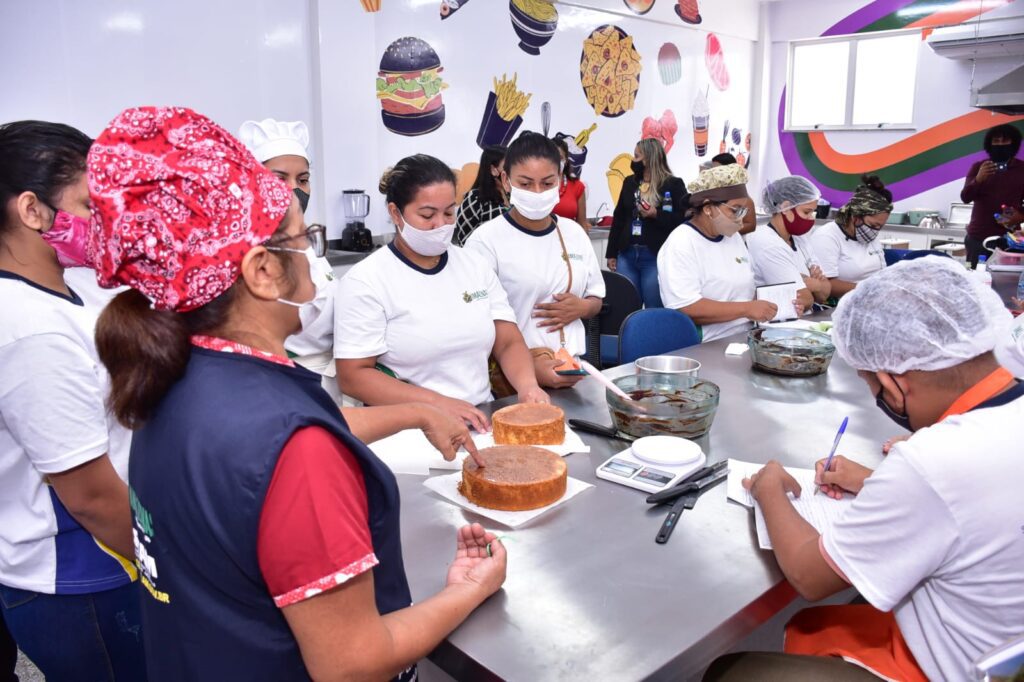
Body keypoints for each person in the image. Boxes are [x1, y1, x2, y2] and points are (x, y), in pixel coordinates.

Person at [88, 106, 506, 681]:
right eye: (302, 238)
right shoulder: (293, 447)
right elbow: (352, 664)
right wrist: (468, 589)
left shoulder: (171, 381)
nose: (313, 253)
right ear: (262, 271)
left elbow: (287, 439)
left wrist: (415, 411)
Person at [716, 257, 1024, 682]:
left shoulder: (934, 460)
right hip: (1003, 645)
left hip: (956, 668)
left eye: (872, 386)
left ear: (894, 383)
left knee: (736, 671)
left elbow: (809, 576)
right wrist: (876, 480)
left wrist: (769, 488)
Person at [0, 121, 145, 680]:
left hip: (103, 561)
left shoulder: (62, 296)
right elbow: (87, 495)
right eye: (90, 204)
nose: (104, 220)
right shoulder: (30, 328)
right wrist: (175, 569)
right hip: (80, 576)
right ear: (33, 211)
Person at [335, 154, 548, 430]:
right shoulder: (367, 280)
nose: (441, 225)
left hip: (480, 421)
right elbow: (354, 375)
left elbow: (507, 341)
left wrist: (528, 387)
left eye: (449, 212)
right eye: (427, 215)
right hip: (407, 432)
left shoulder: (473, 265)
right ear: (395, 213)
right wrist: (436, 404)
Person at [466, 132, 605, 390]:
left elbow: (596, 296)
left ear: (560, 181)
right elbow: (478, 322)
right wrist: (529, 371)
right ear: (506, 180)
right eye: (526, 184)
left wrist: (582, 309)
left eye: (547, 183)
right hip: (512, 380)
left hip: (572, 371)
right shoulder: (486, 241)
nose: (537, 192)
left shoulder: (573, 233)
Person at [238, 118, 337, 362]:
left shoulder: (307, 242)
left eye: (302, 180)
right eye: (279, 179)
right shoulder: (241, 253)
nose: (293, 190)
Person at [657, 165, 777, 343]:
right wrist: (746, 309)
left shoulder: (733, 238)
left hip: (745, 335)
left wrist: (773, 305)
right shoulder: (681, 243)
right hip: (706, 344)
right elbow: (687, 307)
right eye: (735, 210)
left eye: (743, 210)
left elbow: (745, 289)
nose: (741, 218)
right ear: (708, 208)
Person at [606, 138, 687, 308]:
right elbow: (619, 217)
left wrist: (656, 214)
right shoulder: (630, 182)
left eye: (637, 156)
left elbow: (683, 220)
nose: (633, 160)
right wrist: (612, 252)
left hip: (655, 256)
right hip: (627, 255)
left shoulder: (673, 184)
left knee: (654, 308)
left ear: (649, 159)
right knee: (625, 308)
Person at [748, 176, 831, 308]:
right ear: (786, 208)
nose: (810, 219)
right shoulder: (767, 242)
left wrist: (813, 284)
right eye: (806, 212)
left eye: (813, 213)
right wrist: (813, 285)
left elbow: (825, 293)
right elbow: (804, 299)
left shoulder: (799, 239)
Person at [809, 175, 890, 298]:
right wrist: (869, 290)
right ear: (855, 217)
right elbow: (826, 285)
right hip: (838, 305)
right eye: (874, 225)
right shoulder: (827, 237)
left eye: (880, 226)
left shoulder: (869, 235)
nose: (875, 231)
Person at [961, 124, 1024, 265]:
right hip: (978, 238)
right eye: (996, 141)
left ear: (1014, 144)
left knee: (1008, 282)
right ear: (989, 145)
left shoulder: (1022, 169)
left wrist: (1020, 216)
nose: (1000, 145)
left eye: (1005, 141)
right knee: (975, 280)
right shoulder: (978, 167)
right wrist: (978, 179)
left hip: (1011, 239)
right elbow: (965, 197)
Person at [454, 145, 508, 246]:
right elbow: (464, 238)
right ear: (493, 170)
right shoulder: (475, 198)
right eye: (507, 167)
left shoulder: (515, 196)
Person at [711, 153, 755, 234]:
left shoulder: (740, 193)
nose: (713, 173)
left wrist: (725, 231)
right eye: (712, 170)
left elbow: (751, 225)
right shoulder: (712, 189)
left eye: (717, 170)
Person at [551, 137, 589, 230]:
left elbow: (582, 224)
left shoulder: (577, 186)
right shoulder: (538, 185)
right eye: (552, 157)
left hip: (569, 242)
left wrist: (586, 244)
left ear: (566, 160)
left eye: (560, 158)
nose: (556, 161)